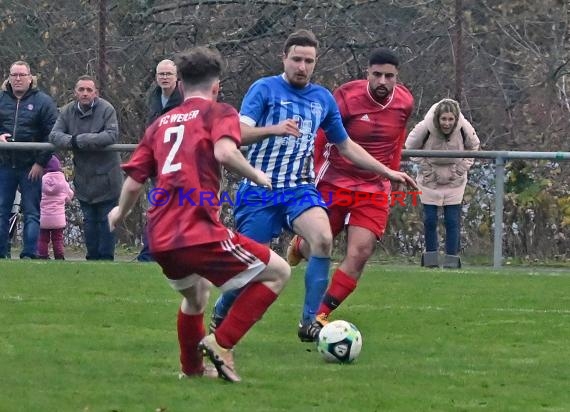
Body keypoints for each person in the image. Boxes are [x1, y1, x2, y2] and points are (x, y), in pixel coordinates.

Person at [209, 30, 416, 343]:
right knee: (251, 267)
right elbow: (236, 133)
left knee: (322, 239)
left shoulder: (322, 99)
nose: (302, 66)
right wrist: (274, 129)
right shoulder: (264, 89)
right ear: (284, 58)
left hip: (299, 189)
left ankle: (310, 322)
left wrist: (386, 171)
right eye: (296, 59)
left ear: (315, 63)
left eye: (308, 61)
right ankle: (223, 308)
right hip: (259, 189)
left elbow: (346, 146)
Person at [107, 46, 291, 383]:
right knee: (279, 272)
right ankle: (222, 344)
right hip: (199, 230)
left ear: (180, 85)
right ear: (216, 86)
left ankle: (192, 371)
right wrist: (257, 176)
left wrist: (119, 213)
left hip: (161, 237)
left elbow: (134, 183)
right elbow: (224, 150)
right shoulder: (218, 112)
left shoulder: (159, 124)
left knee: (197, 296)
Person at [286, 48, 415, 334]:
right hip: (335, 179)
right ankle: (300, 245)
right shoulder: (345, 96)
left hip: (374, 186)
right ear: (367, 73)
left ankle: (318, 317)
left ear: (397, 78)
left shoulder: (405, 102)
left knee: (361, 251)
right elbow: (322, 135)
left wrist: (391, 174)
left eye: (389, 76)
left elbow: (397, 139)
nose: (383, 81)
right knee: (320, 245)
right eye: (377, 74)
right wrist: (314, 169)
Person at [49, 75, 122, 260]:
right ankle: (91, 258)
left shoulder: (107, 109)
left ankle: (106, 259)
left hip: (108, 177)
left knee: (107, 221)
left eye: (89, 90)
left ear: (95, 93)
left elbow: (111, 135)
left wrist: (80, 140)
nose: (85, 93)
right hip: (84, 177)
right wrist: (72, 141)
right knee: (89, 221)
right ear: (75, 92)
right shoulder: (67, 111)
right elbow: (55, 135)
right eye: (81, 90)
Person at [405, 98, 480, 268]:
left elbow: (474, 147)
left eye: (450, 119)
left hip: (455, 179)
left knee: (452, 220)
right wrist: (427, 170)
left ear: (456, 119)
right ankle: (431, 260)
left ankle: (451, 260)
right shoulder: (425, 127)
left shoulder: (464, 128)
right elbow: (409, 147)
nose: (447, 123)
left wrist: (461, 169)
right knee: (430, 219)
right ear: (438, 118)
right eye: (443, 119)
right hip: (429, 179)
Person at [0, 60, 58, 259]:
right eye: (13, 75)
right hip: (4, 164)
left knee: (32, 212)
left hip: (30, 166)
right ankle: (2, 253)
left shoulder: (43, 102)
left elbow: (51, 134)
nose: (17, 79)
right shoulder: (1, 100)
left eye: (21, 75)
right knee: (2, 211)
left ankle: (29, 254)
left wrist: (40, 162)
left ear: (30, 77)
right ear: (9, 77)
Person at [137, 59, 184, 262]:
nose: (164, 78)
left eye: (168, 74)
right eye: (161, 74)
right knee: (157, 207)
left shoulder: (184, 99)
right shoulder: (154, 99)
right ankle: (150, 252)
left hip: (180, 165)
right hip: (159, 164)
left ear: (177, 77)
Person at [37, 155, 74, 260]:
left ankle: (42, 255)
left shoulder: (42, 180)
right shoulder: (63, 181)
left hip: (43, 217)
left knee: (43, 239)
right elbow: (69, 196)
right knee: (57, 239)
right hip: (58, 218)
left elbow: (37, 196)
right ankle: (59, 256)